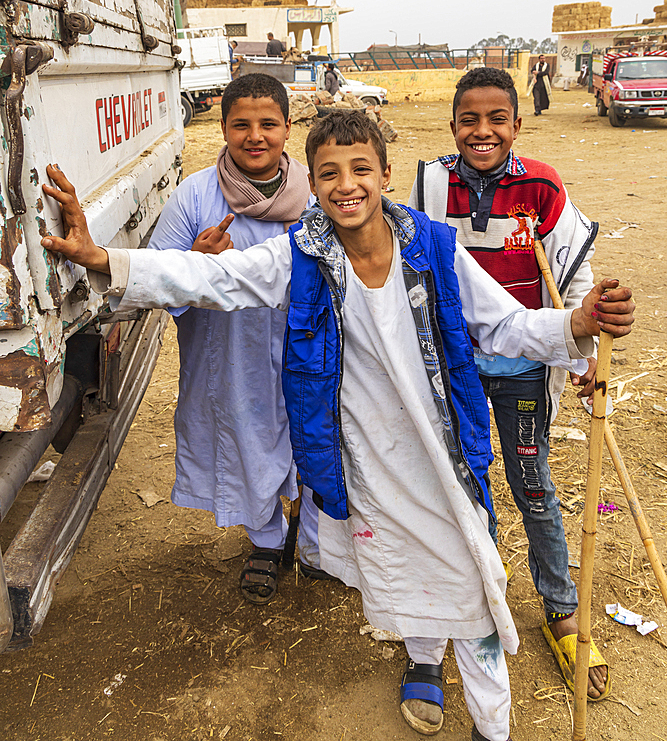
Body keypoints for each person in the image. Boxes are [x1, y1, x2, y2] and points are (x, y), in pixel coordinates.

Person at [41, 112, 634, 741]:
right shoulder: (300, 256)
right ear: (313, 182)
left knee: (475, 582)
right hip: (364, 463)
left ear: (384, 175)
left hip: (443, 455)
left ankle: (493, 726)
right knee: (406, 570)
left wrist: (574, 324)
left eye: (360, 170)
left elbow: (504, 326)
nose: (346, 185)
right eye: (329, 173)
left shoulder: (434, 248)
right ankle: (424, 662)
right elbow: (214, 278)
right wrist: (103, 258)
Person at [409, 66, 610, 702]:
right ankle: (478, 601)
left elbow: (574, 278)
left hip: (522, 364)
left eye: (497, 119)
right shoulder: (431, 182)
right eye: (470, 119)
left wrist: (584, 355)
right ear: (453, 127)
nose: (483, 130)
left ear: (517, 126)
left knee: (533, 485)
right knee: (462, 488)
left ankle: (559, 606)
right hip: (456, 368)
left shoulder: (543, 187)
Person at [149, 73, 321, 603]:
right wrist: (194, 262)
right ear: (222, 127)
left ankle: (316, 544)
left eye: (268, 124)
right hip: (230, 354)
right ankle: (268, 541)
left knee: (317, 435)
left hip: (304, 345)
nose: (255, 136)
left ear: (288, 128)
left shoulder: (317, 194)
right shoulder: (196, 196)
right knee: (246, 439)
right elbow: (156, 278)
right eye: (241, 124)